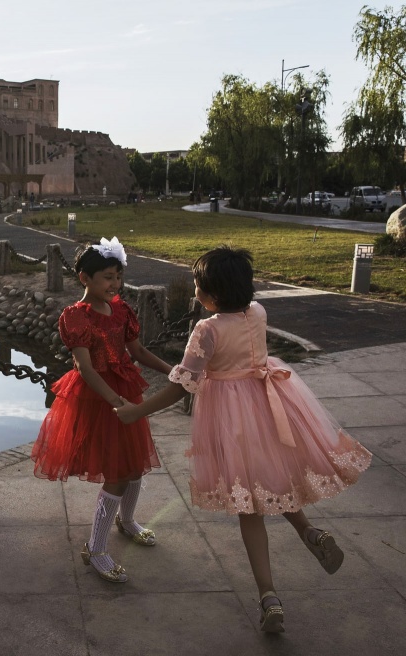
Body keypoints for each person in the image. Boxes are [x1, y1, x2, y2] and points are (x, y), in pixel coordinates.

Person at [116, 246, 372, 632]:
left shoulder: (207, 329)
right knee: (275, 481)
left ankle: (269, 596)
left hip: (233, 421)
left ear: (212, 296)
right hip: (270, 408)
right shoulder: (257, 313)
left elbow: (182, 386)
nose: (195, 293)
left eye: (199, 286)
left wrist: (137, 410)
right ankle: (310, 532)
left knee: (250, 505)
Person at [31, 237, 173, 584]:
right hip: (98, 398)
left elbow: (136, 351)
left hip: (124, 388)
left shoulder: (122, 309)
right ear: (85, 279)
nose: (115, 284)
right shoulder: (76, 318)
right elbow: (85, 368)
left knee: (134, 463)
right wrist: (115, 401)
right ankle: (95, 547)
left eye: (118, 277)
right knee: (116, 472)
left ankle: (127, 520)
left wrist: (173, 371)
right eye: (107, 277)